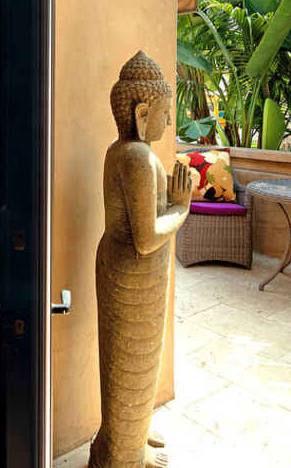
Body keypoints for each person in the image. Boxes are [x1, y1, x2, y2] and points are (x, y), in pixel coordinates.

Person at [90, 51, 193, 468]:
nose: (170, 123)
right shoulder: (135, 156)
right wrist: (182, 207)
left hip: (133, 272)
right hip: (131, 272)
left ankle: (128, 431)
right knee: (129, 364)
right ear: (142, 110)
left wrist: (168, 199)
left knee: (140, 362)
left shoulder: (128, 150)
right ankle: (121, 453)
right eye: (166, 113)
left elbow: (147, 212)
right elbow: (147, 238)